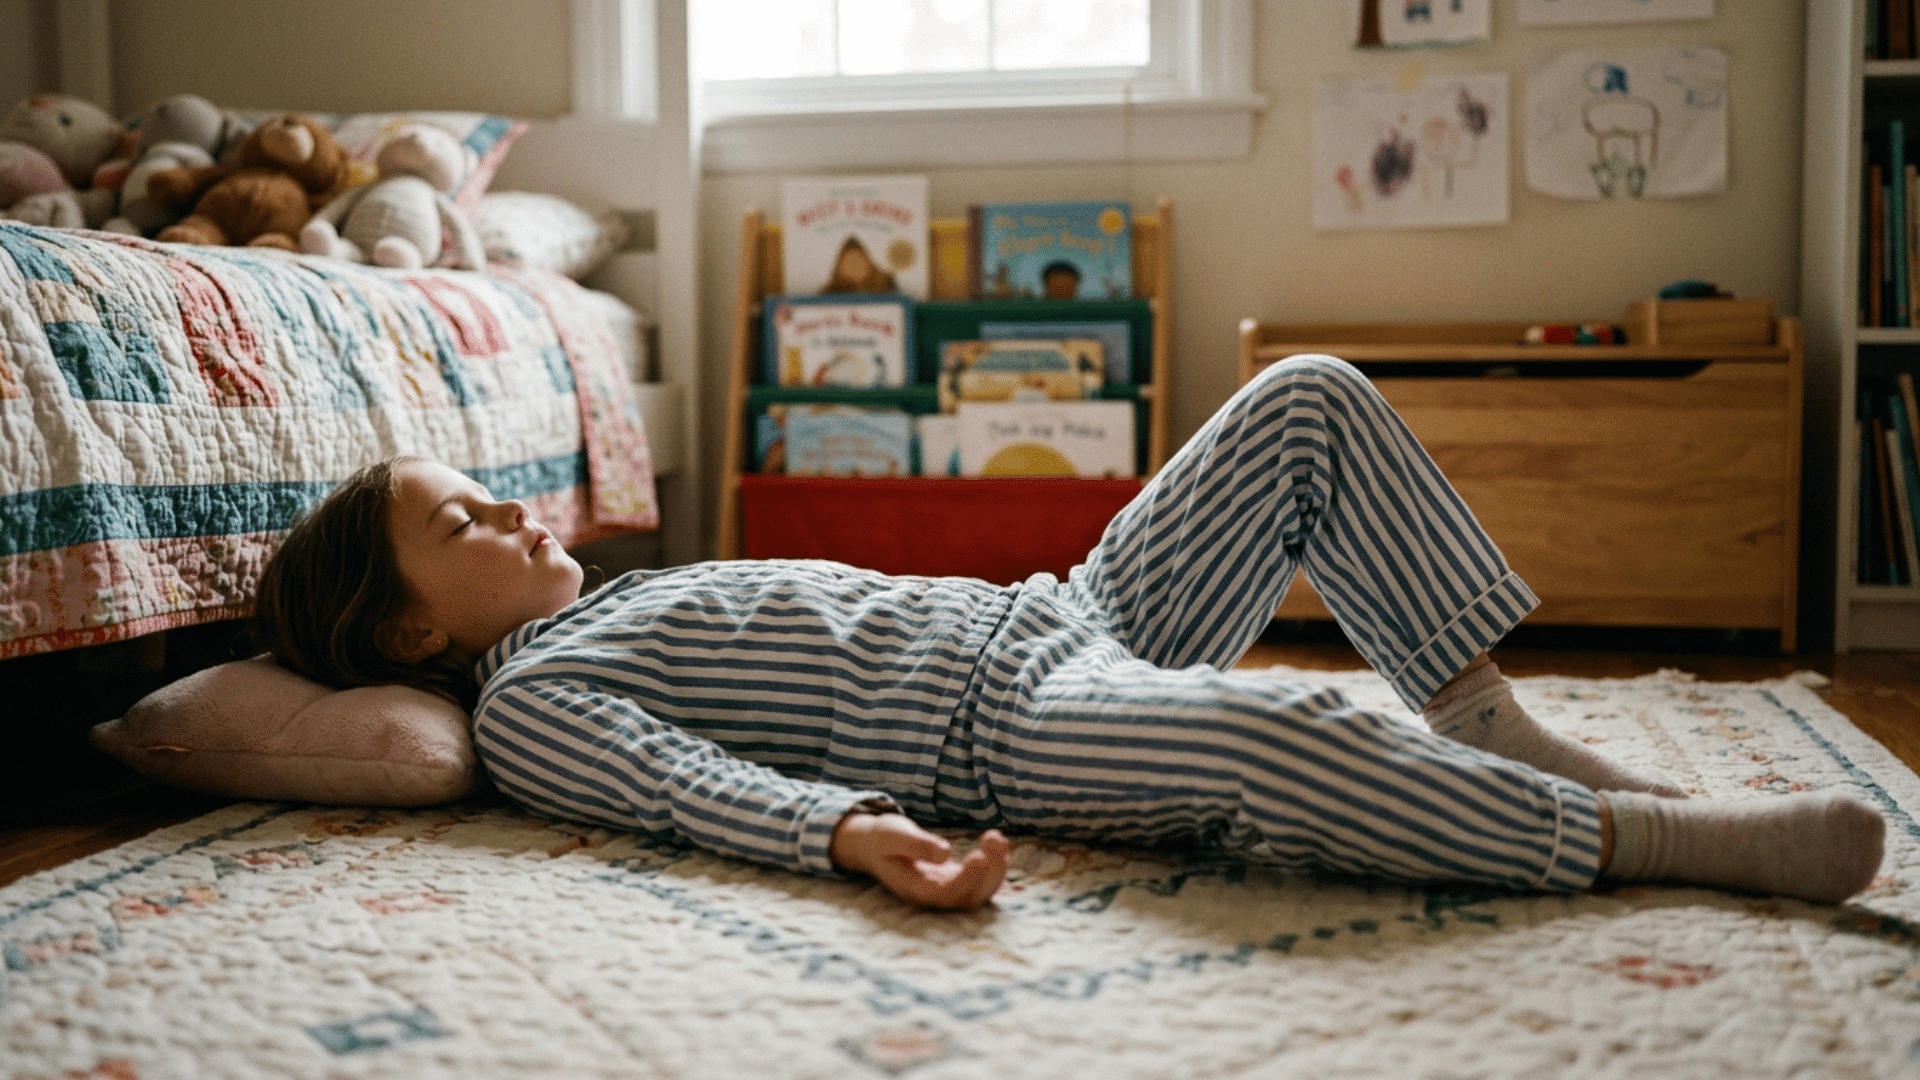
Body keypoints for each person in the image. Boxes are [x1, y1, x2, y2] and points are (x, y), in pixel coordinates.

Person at [252, 355, 1887, 911]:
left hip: (1064, 615)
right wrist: (854, 833)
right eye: (463, 525)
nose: (519, 513)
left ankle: (1487, 728)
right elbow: (682, 786)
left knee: (1304, 401)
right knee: (1289, 732)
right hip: (1002, 733)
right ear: (402, 636)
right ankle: (1648, 839)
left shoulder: (632, 584)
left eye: (499, 493)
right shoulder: (538, 693)